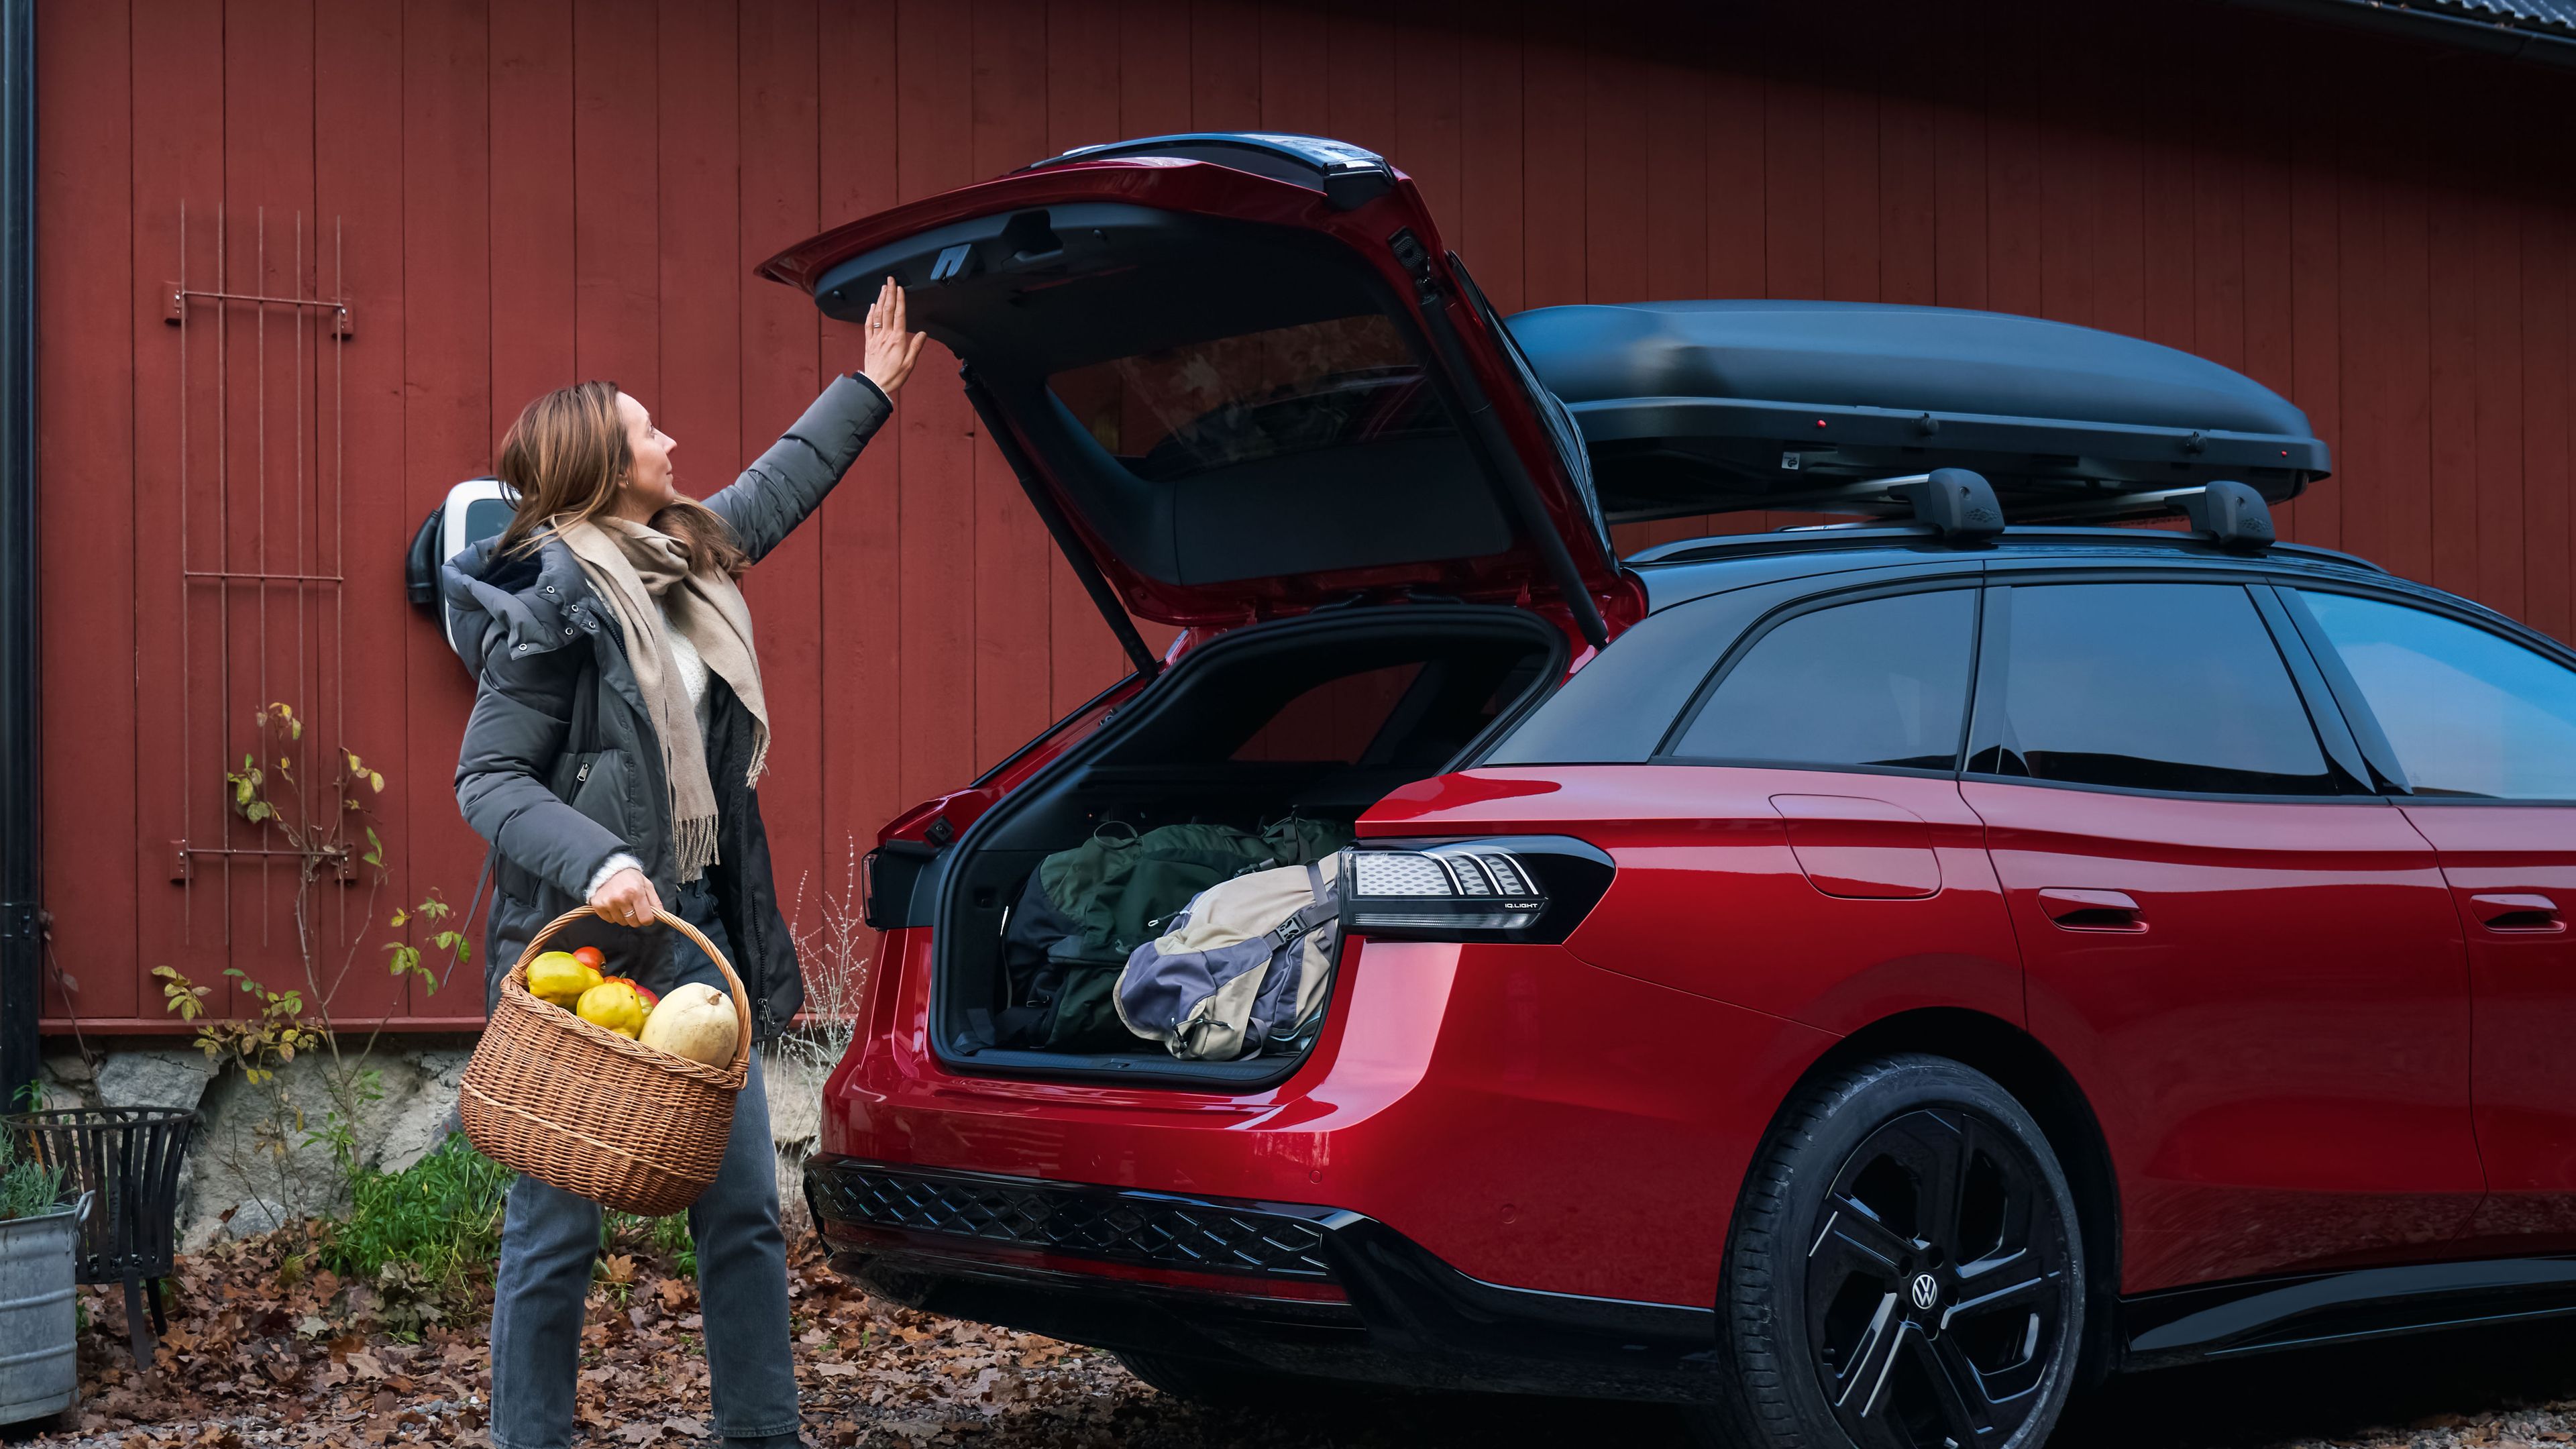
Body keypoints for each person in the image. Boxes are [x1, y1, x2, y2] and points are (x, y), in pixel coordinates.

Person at [445, 278, 926, 1449]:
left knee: (747, 1213)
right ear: (606, 472)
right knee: (555, 1227)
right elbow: (488, 782)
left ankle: (763, 1433)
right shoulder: (551, 607)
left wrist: (866, 390)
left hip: (702, 935)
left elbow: (774, 487)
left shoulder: (688, 559)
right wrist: (603, 858)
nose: (671, 442)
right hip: (586, 956)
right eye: (648, 430)